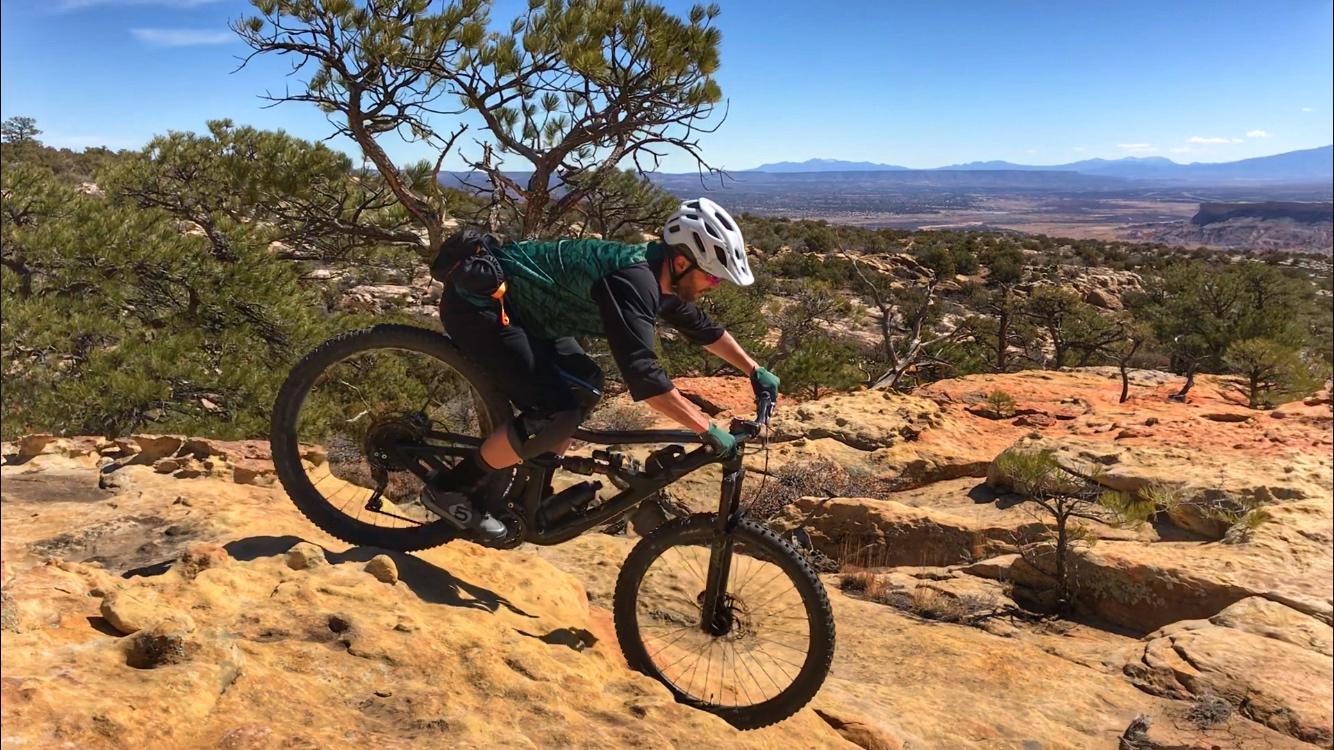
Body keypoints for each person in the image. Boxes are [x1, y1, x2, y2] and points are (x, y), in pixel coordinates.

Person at [428, 197, 780, 541]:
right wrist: (706, 428)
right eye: (713, 277)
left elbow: (701, 328)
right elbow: (644, 375)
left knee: (587, 384)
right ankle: (448, 489)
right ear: (683, 261)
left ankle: (533, 494)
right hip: (481, 310)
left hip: (530, 316)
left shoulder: (661, 276)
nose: (713, 286)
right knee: (557, 414)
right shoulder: (634, 281)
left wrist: (754, 370)